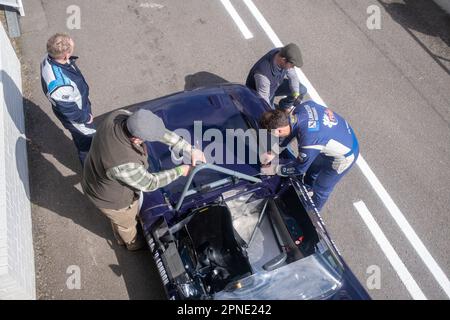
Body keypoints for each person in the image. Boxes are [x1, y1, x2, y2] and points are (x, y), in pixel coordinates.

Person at [81, 109, 205, 251]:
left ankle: (119, 226)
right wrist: (180, 171)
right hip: (109, 198)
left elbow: (158, 132)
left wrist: (190, 149)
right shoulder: (123, 162)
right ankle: (131, 243)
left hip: (95, 172)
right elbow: (150, 183)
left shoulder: (120, 116)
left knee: (121, 219)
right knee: (126, 223)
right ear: (136, 139)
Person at [258, 101, 359, 211]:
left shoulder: (309, 142)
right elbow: (290, 131)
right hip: (336, 136)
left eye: (271, 133)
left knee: (322, 187)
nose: (271, 136)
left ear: (279, 130)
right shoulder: (301, 109)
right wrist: (272, 152)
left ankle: (313, 210)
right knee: (312, 170)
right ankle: (307, 188)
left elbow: (299, 169)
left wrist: (275, 169)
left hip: (345, 155)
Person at [40, 33, 95, 165]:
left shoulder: (48, 57)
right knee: (86, 142)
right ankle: (90, 170)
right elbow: (70, 111)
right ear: (65, 56)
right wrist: (86, 118)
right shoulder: (61, 87)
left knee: (83, 139)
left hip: (77, 105)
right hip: (77, 117)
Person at [246, 43, 308, 111]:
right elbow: (264, 102)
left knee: (302, 90)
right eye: (292, 65)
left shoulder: (283, 53)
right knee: (272, 115)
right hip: (262, 93)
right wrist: (275, 115)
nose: (292, 67)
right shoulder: (263, 75)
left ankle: (284, 107)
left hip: (275, 84)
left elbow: (293, 76)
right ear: (283, 60)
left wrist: (295, 94)